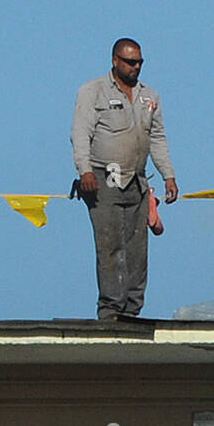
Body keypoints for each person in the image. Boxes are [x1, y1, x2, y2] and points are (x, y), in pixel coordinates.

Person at [71, 39, 178, 320]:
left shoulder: (149, 96)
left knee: (137, 249)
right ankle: (111, 311)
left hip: (137, 181)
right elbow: (80, 133)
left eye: (140, 62)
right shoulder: (93, 91)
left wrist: (169, 175)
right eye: (130, 62)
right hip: (102, 178)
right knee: (110, 246)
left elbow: (157, 137)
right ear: (115, 60)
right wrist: (84, 171)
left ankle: (132, 310)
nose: (136, 67)